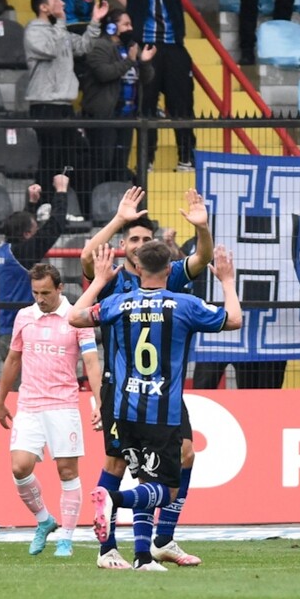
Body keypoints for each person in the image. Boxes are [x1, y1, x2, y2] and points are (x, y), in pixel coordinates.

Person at [74, 240, 242, 570]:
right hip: (159, 407)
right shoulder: (185, 304)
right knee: (161, 488)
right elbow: (234, 319)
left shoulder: (118, 302)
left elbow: (74, 317)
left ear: (137, 268)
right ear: (169, 269)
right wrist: (227, 281)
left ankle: (145, 554)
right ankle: (114, 517)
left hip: (124, 403)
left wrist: (97, 281)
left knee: (156, 468)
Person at [80, 186, 214, 568]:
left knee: (184, 454)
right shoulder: (111, 278)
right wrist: (119, 218)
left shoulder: (166, 278)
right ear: (123, 247)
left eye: (144, 239)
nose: (139, 245)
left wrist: (202, 229)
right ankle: (108, 549)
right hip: (120, 389)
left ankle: (161, 541)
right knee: (117, 466)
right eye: (132, 239)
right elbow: (89, 256)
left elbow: (202, 258)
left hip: (163, 391)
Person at [0, 263, 102, 558]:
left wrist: (99, 401)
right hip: (29, 404)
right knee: (19, 467)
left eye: (45, 292)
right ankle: (44, 520)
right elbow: (13, 359)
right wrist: (0, 398)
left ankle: (66, 538)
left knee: (67, 471)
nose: (40, 298)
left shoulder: (76, 318)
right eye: (35, 293)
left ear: (59, 289)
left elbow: (91, 362)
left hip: (63, 405)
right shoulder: (24, 317)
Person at [121, 0, 201, 170]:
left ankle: (186, 159)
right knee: (147, 106)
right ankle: (147, 161)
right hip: (147, 48)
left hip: (173, 47)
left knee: (183, 104)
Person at [24, 0, 103, 191]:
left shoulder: (61, 31)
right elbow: (50, 49)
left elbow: (84, 46)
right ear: (43, 7)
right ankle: (41, 202)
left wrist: (94, 22)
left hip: (64, 105)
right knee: (51, 156)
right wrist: (60, 22)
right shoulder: (33, 31)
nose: (63, 3)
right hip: (45, 104)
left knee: (73, 154)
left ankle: (61, 201)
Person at [0, 174, 72, 366]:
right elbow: (55, 226)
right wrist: (61, 191)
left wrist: (31, 204)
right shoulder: (22, 253)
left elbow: (21, 230)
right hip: (22, 335)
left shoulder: (6, 249)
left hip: (8, 331)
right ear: (28, 234)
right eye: (35, 229)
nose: (38, 233)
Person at [81, 8, 155, 183]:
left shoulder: (130, 48)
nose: (130, 28)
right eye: (126, 24)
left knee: (119, 164)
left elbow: (147, 79)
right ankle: (91, 206)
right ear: (112, 27)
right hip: (105, 116)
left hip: (127, 116)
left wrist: (144, 62)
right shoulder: (99, 46)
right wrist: (129, 61)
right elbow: (103, 73)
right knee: (101, 163)